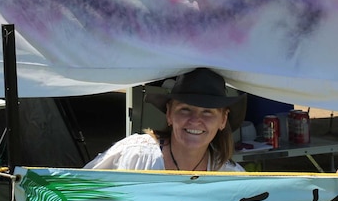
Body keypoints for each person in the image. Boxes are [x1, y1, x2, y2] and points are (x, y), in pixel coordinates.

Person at [85, 67, 246, 172]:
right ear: (169, 114)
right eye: (185, 109)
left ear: (223, 120)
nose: (195, 120)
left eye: (207, 112)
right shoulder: (134, 155)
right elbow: (77, 193)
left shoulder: (230, 176)